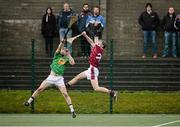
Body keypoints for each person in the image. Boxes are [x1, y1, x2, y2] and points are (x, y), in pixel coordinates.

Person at [24, 40, 76, 118]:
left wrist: (69, 54)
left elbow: (73, 63)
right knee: (40, 89)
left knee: (65, 94)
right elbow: (58, 48)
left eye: (64, 50)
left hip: (59, 79)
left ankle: (72, 110)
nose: (62, 50)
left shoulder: (66, 58)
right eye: (62, 50)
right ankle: (29, 101)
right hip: (51, 77)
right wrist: (61, 43)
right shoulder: (57, 55)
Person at [65, 32, 117, 103]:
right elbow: (93, 41)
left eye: (100, 42)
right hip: (91, 69)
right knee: (78, 77)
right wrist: (87, 34)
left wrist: (87, 34)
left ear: (102, 45)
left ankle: (112, 92)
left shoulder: (99, 48)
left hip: (93, 70)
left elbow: (93, 41)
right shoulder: (98, 48)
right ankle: (66, 86)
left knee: (96, 88)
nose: (98, 42)